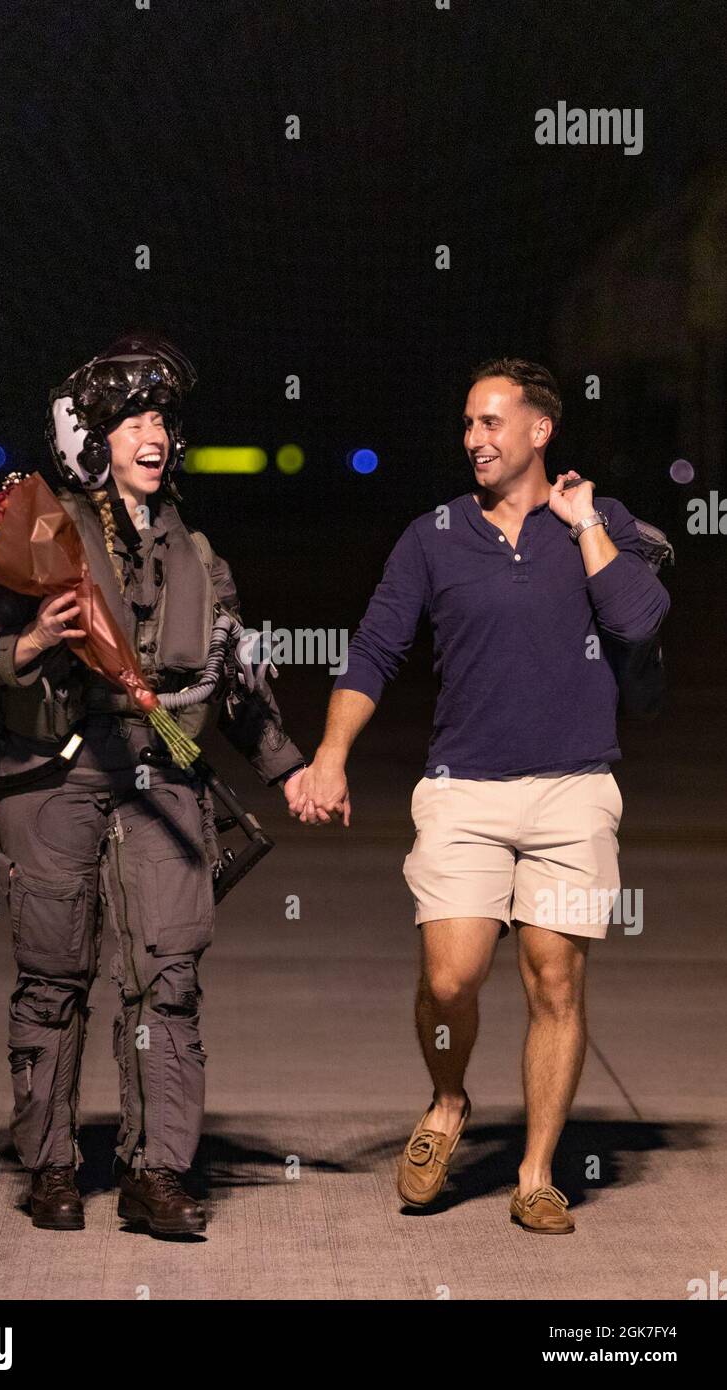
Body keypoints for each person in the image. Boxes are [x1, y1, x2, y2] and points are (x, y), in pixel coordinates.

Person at [290, 357, 670, 1234]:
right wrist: (331, 755)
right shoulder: (433, 535)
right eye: (468, 424)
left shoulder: (598, 521)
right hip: (463, 795)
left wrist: (583, 526)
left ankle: (536, 1174)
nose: (475, 439)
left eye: (493, 422)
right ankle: (449, 1102)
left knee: (556, 982)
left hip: (575, 794)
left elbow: (638, 620)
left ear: (541, 430)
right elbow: (375, 647)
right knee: (451, 975)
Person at [0, 332, 306, 1236]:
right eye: (133, 419)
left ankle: (156, 1176)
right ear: (94, 438)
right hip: (56, 779)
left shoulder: (198, 553)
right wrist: (29, 644)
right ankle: (52, 1169)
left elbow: (237, 685)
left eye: (161, 420)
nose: (153, 434)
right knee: (53, 976)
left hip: (161, 777)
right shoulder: (39, 532)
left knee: (167, 979)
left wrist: (292, 771)